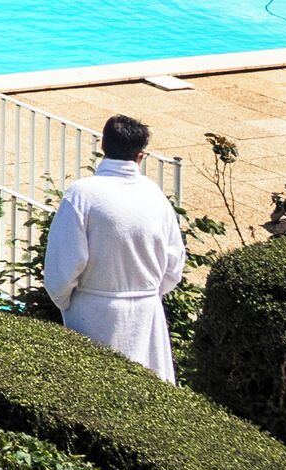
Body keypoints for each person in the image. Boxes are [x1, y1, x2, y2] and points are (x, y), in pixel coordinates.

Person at [41, 114, 186, 377]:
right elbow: (174, 266)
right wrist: (145, 293)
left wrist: (68, 302)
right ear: (140, 156)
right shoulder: (155, 195)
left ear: (103, 145)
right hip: (147, 313)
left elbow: (63, 264)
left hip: (92, 311)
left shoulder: (82, 194)